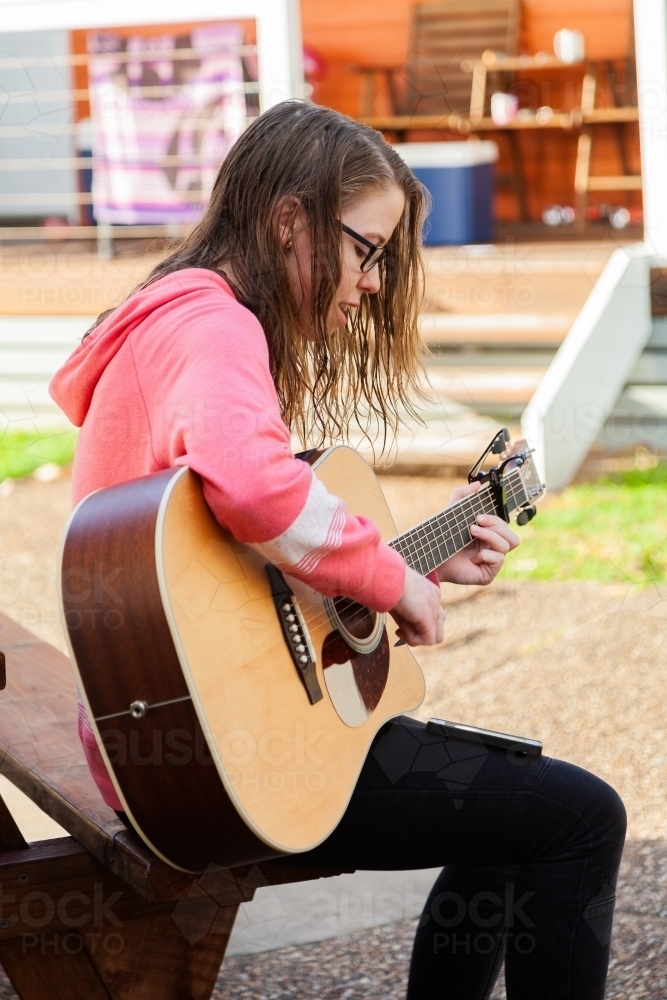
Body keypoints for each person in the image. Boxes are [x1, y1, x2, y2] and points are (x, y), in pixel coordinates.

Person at [50, 101, 625, 999]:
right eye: (366, 250)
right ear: (289, 221)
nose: (370, 281)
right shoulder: (213, 325)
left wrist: (419, 562)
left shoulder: (173, 316)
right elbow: (252, 485)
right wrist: (392, 577)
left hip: (174, 739)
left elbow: (227, 565)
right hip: (216, 763)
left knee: (517, 816)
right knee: (581, 817)